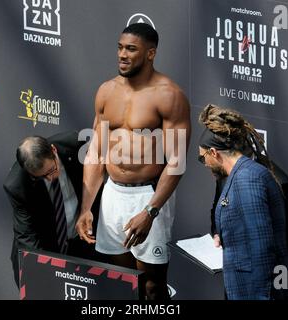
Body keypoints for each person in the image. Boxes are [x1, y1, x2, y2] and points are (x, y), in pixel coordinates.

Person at [75, 23, 191, 300]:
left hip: (148, 195)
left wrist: (150, 212)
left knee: (153, 287)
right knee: (123, 283)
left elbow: (176, 161)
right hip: (113, 193)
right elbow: (96, 152)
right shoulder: (106, 91)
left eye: (131, 49)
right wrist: (86, 206)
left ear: (150, 54)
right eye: (120, 47)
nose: (122, 55)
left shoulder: (169, 95)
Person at [197, 104, 288, 300]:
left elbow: (261, 249)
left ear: (213, 152)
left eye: (203, 158)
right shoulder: (238, 174)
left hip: (256, 290)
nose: (204, 164)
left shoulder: (248, 180)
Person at [3, 132, 101, 287]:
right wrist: (43, 270)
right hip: (46, 245)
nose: (50, 178)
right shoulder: (17, 185)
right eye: (40, 177)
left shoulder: (76, 145)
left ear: (54, 150)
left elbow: (97, 175)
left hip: (83, 242)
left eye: (51, 170)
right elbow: (27, 236)